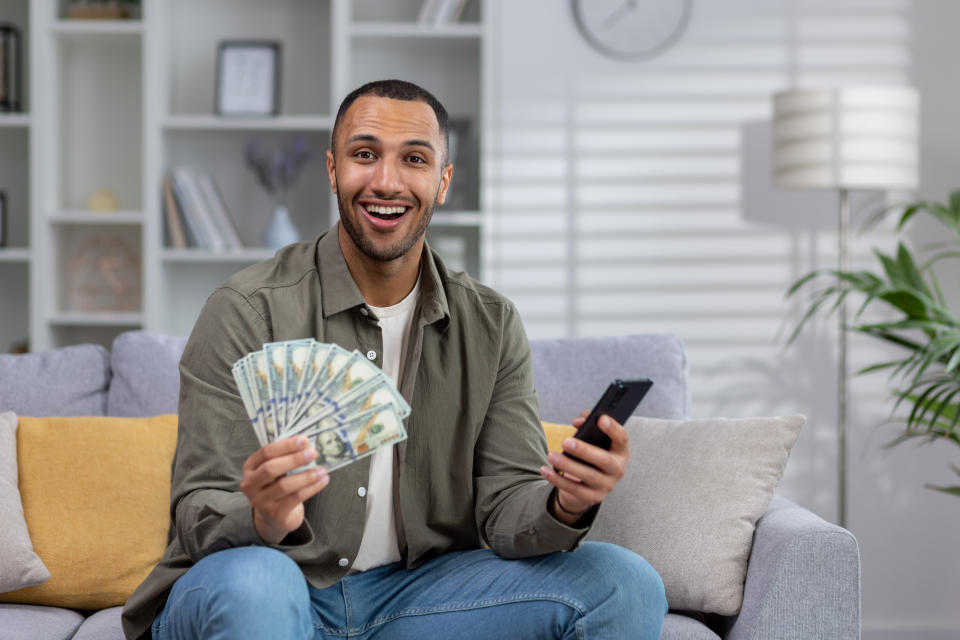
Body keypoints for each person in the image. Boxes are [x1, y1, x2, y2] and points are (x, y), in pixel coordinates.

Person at [122, 79, 667, 640]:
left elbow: (506, 508)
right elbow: (196, 508)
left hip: (415, 597)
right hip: (268, 583)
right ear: (333, 170)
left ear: (443, 181)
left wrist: (566, 504)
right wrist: (263, 518)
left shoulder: (491, 323)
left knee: (625, 584)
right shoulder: (245, 310)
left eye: (414, 159)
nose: (386, 181)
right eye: (364, 155)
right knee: (260, 586)